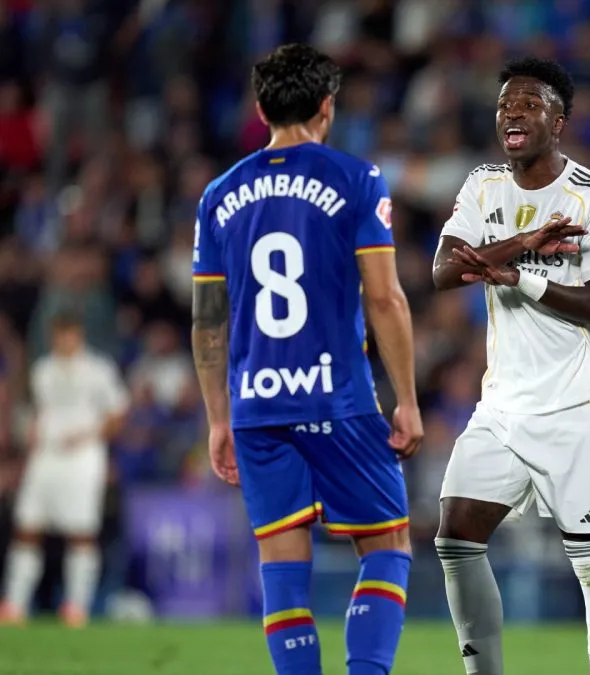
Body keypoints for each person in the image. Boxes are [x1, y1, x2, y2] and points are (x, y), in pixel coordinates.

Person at [191, 43, 423, 675]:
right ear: (327, 107)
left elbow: (209, 321)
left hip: (256, 405)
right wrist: (405, 398)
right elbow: (385, 296)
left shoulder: (218, 194)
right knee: (387, 547)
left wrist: (218, 418)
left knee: (283, 565)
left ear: (261, 108)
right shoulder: (356, 178)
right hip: (338, 398)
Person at [431, 57, 590, 675]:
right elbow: (444, 271)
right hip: (503, 406)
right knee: (455, 539)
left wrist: (520, 278)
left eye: (528, 103)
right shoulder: (482, 185)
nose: (511, 112)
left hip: (577, 403)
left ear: (559, 121)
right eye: (504, 105)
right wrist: (523, 242)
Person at [0, 312, 128, 627]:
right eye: (59, 334)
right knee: (28, 528)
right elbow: (37, 413)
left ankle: (77, 606)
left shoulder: (98, 369)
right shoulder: (42, 370)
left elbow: (117, 413)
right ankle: (15, 604)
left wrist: (89, 437)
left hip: (83, 457)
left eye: (69, 333)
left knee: (81, 532)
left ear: (79, 334)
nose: (64, 340)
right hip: (46, 456)